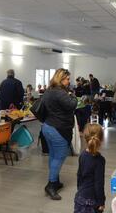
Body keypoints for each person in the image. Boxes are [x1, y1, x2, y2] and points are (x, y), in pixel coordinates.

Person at [41, 68, 77, 200]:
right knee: (59, 157)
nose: (69, 81)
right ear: (61, 79)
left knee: (53, 155)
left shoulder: (49, 91)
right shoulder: (60, 93)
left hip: (48, 127)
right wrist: (73, 96)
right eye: (67, 79)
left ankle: (55, 181)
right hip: (58, 129)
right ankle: (50, 185)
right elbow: (72, 105)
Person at [74, 124, 105, 213]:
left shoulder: (82, 155)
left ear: (84, 137)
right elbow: (99, 183)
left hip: (80, 198)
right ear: (101, 139)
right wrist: (101, 202)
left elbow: (79, 175)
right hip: (92, 201)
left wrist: (80, 191)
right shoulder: (100, 160)